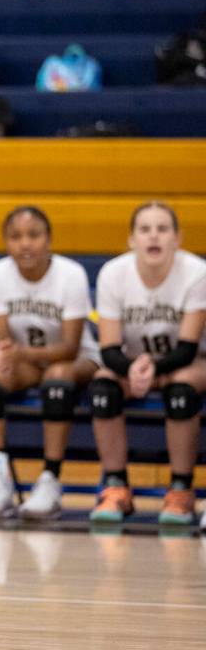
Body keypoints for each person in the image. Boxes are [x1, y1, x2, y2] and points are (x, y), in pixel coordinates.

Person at [0, 206, 100, 520]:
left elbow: (69, 348)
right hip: (26, 361)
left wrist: (20, 354)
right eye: (16, 237)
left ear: (49, 241)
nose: (25, 244)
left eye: (34, 235)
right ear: (6, 243)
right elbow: (3, 343)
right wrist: (6, 358)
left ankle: (50, 480)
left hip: (77, 361)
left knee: (57, 376)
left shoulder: (71, 274)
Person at [88, 201, 206, 526]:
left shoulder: (196, 273)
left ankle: (181, 490)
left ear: (178, 238)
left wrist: (154, 370)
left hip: (186, 361)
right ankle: (116, 487)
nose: (154, 236)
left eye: (162, 229)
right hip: (133, 361)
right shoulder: (114, 273)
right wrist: (132, 370)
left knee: (181, 389)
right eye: (145, 229)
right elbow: (109, 348)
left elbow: (187, 347)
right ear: (131, 239)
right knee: (103, 389)